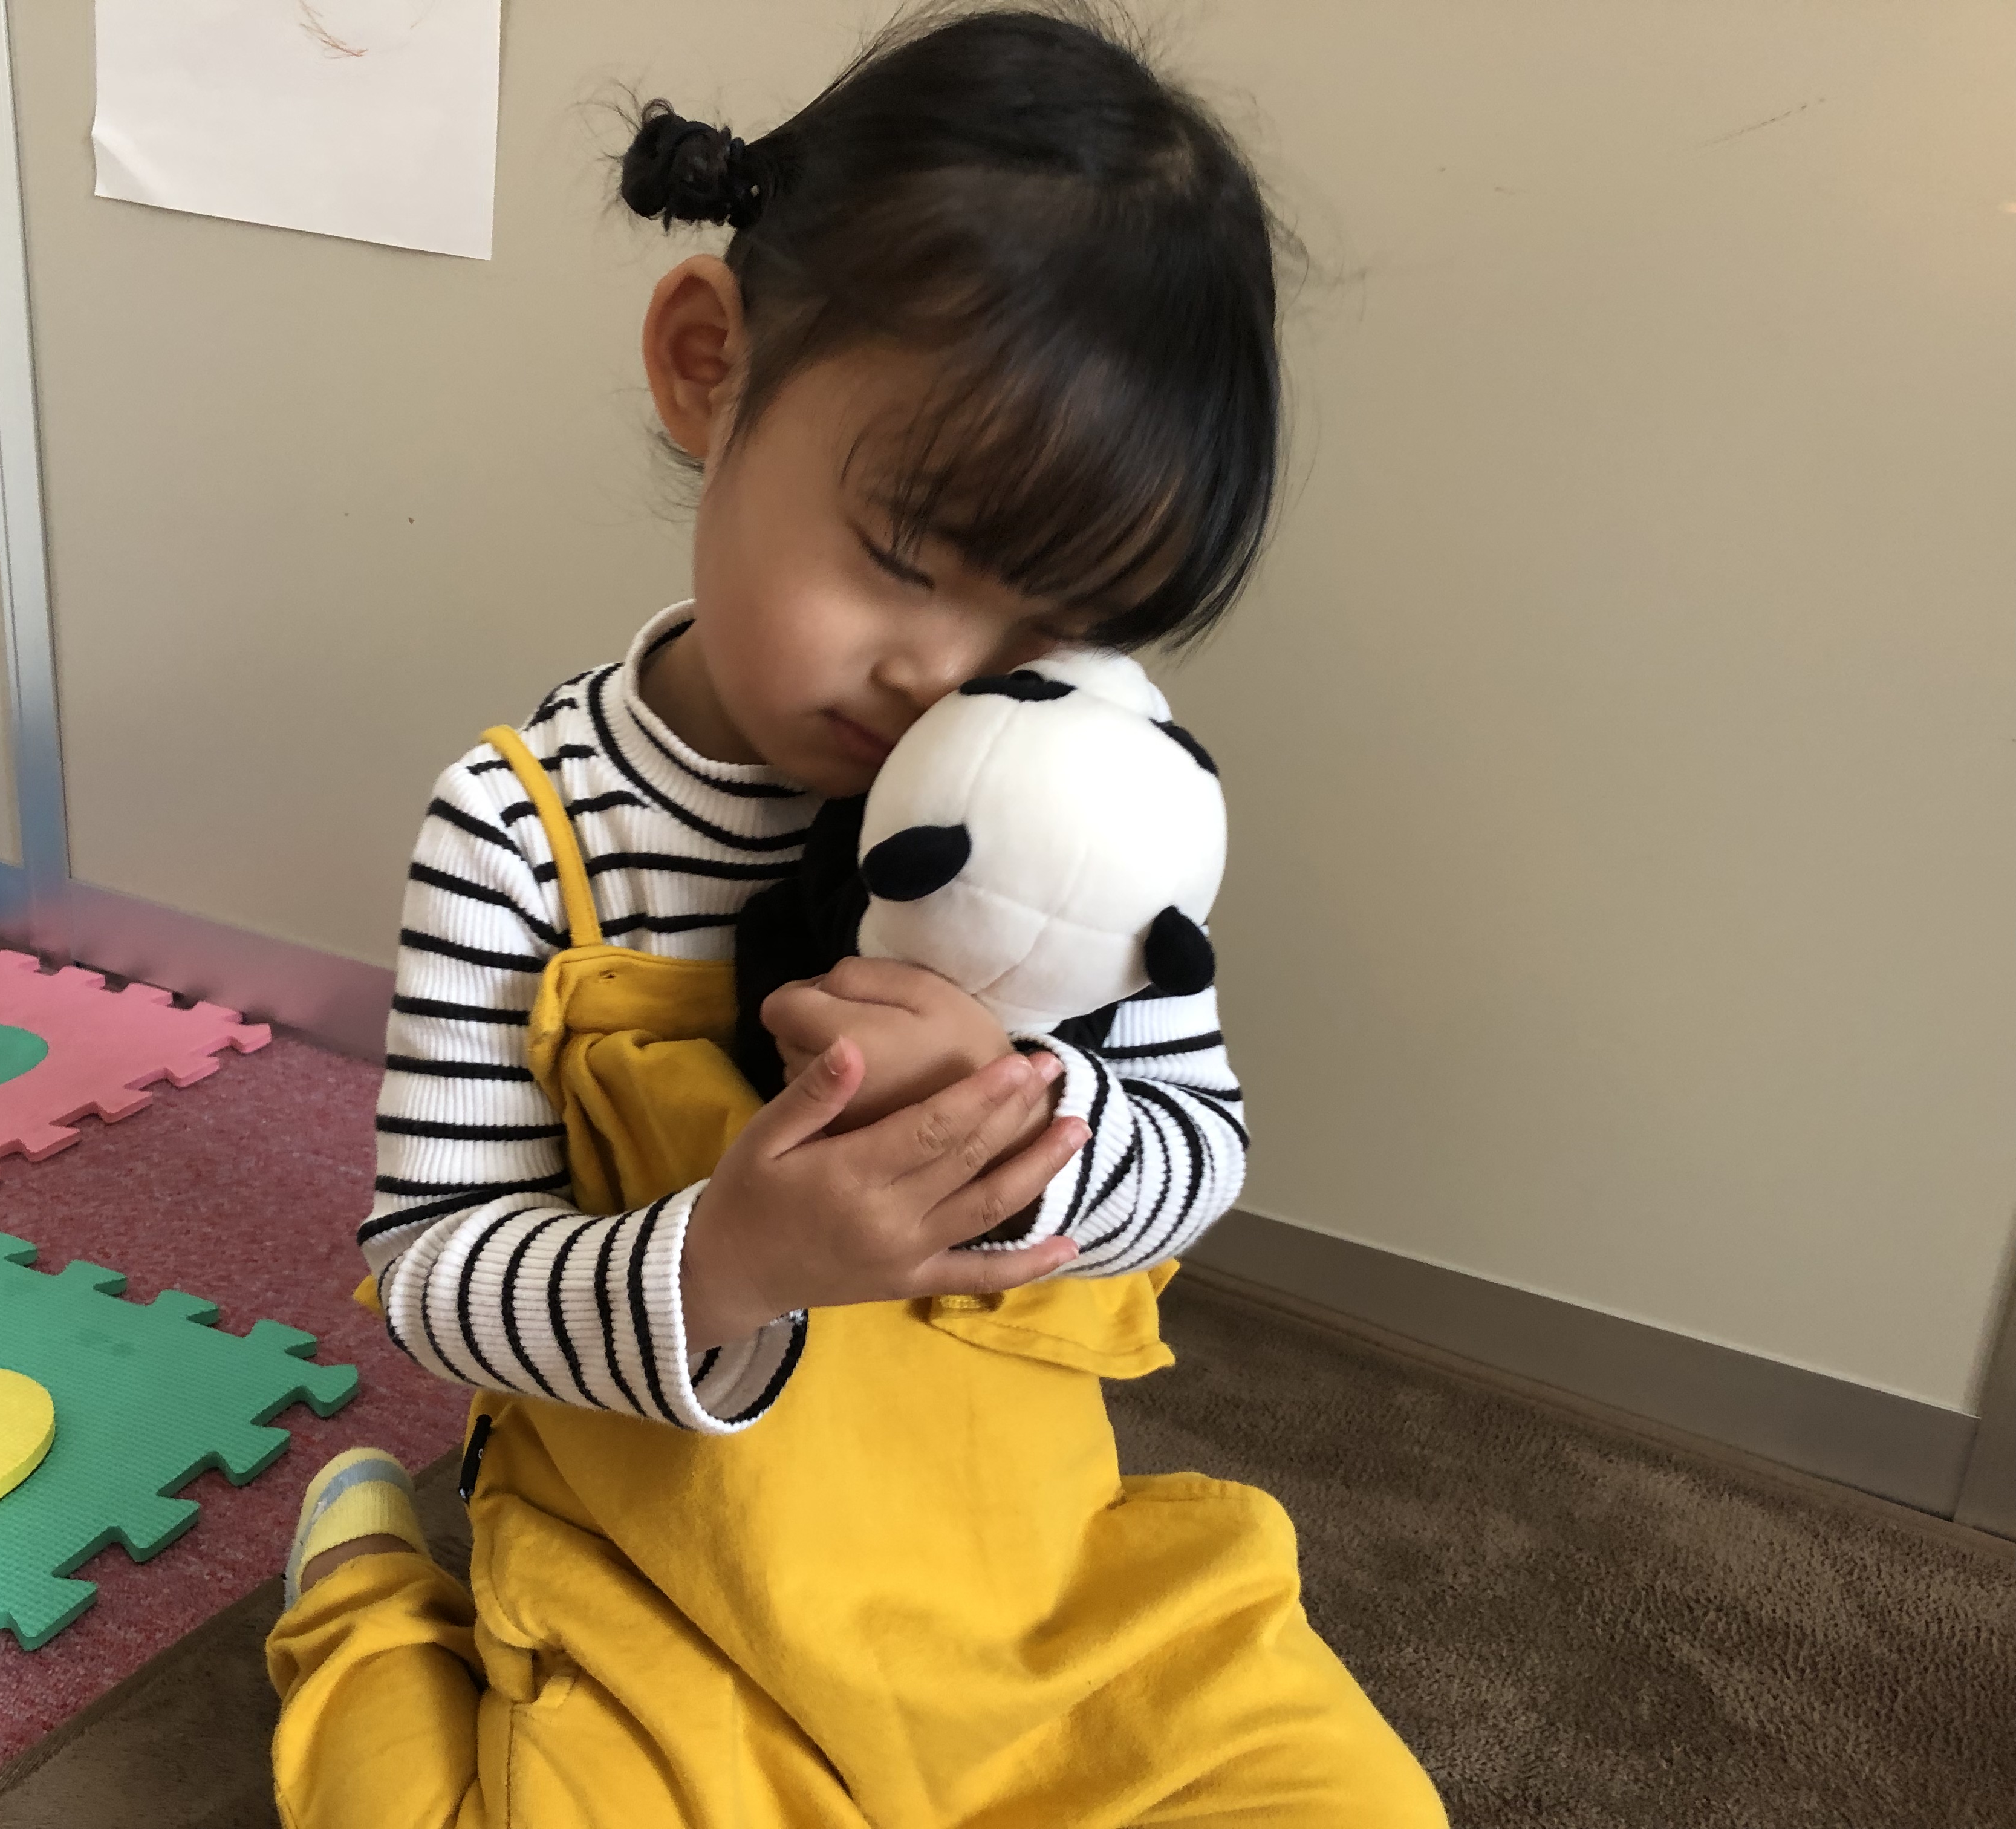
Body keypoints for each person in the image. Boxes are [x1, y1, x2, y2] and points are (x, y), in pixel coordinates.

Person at [265, 7, 1449, 1825]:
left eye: (1058, 630)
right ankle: (361, 1604)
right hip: (663, 1579)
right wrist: (724, 1263)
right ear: (708, 368)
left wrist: (1025, 1120)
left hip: (1018, 1593)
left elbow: (1199, 1149)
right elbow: (436, 1276)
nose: (943, 680)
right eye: (904, 558)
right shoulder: (522, 831)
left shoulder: (1086, 812)